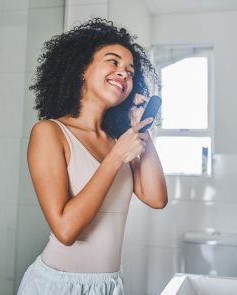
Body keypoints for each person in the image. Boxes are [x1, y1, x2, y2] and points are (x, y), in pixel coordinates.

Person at [17, 18, 168, 295]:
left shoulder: (118, 140)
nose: (123, 73)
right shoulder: (50, 132)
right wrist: (115, 159)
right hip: (58, 285)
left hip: (109, 286)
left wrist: (141, 126)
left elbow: (156, 198)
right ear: (82, 70)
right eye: (113, 62)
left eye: (130, 71)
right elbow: (65, 230)